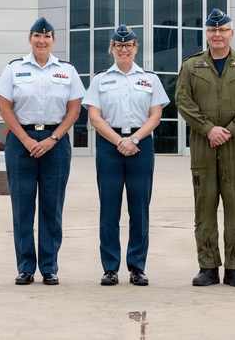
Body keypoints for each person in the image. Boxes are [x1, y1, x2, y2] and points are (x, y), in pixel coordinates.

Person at [175, 8, 235, 287]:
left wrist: (231, 129)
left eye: (223, 29)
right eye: (213, 30)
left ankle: (234, 268)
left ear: (231, 33)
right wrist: (208, 129)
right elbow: (182, 100)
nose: (218, 34)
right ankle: (208, 267)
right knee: (204, 209)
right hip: (204, 145)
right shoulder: (191, 66)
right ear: (207, 33)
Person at [0, 16, 84, 286]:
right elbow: (4, 108)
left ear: (53, 40)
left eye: (46, 37)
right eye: (36, 36)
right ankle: (25, 267)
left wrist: (53, 138)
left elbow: (75, 110)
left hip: (55, 141)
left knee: (51, 207)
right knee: (22, 207)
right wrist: (26, 139)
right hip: (21, 141)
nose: (41, 41)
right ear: (30, 39)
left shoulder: (67, 70)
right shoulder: (14, 68)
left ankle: (49, 267)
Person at [82, 25, 170, 287]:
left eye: (129, 45)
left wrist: (133, 139)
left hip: (140, 146)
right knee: (109, 209)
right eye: (119, 45)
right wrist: (119, 140)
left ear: (136, 48)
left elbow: (156, 115)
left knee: (139, 209)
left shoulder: (150, 79)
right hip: (110, 146)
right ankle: (110, 268)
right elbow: (94, 117)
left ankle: (137, 267)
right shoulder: (100, 79)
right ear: (112, 48)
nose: (124, 49)